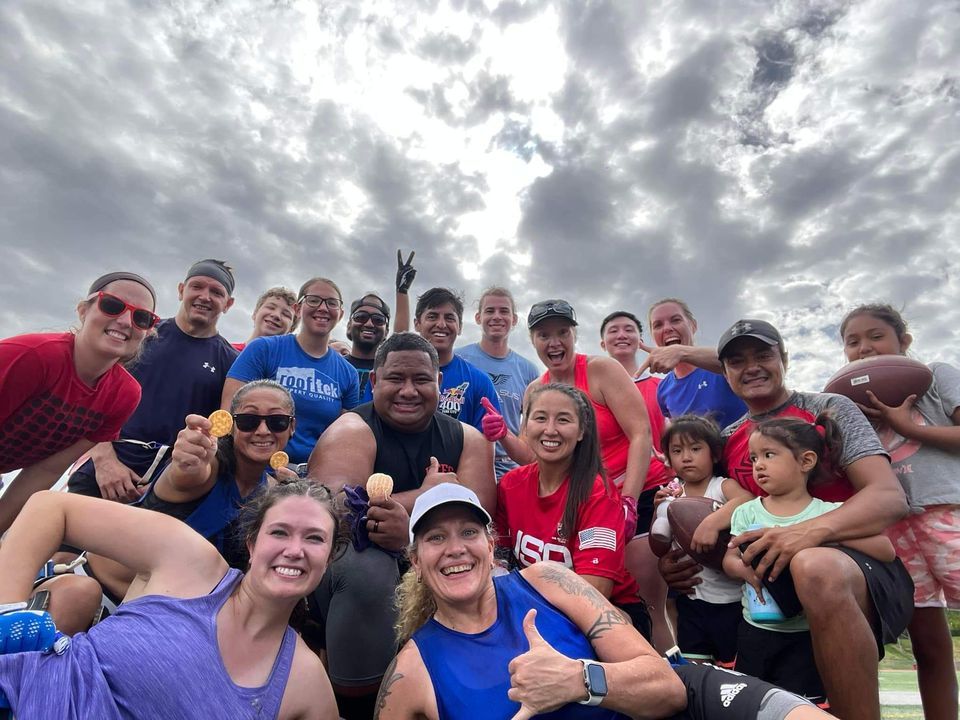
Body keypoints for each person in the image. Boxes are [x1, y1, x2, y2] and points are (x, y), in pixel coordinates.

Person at [377, 482, 834, 720]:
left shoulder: (548, 581)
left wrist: (579, 680)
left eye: (469, 532)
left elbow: (667, 687)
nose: (456, 548)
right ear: (416, 560)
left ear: (490, 543)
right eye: (436, 537)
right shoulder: (411, 671)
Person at [659, 317, 912, 720]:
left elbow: (888, 498)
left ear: (785, 359)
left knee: (814, 566)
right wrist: (685, 559)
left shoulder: (828, 408)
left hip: (852, 567)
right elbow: (717, 511)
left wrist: (802, 534)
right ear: (725, 373)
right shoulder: (729, 439)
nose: (752, 367)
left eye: (763, 354)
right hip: (764, 601)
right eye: (737, 361)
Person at [0, 480, 342, 719]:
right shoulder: (191, 561)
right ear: (252, 544)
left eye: (314, 539)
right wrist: (7, 613)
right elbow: (51, 507)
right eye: (279, 532)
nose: (294, 550)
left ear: (328, 559)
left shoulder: (305, 679)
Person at [305, 332, 495, 719]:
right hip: (352, 576)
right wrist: (425, 496)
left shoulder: (467, 438)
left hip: (436, 557)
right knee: (366, 568)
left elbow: (481, 516)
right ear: (374, 382)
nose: (408, 391)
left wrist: (408, 529)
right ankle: (355, 704)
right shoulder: (352, 429)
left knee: (487, 564)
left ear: (438, 384)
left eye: (421, 380)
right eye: (396, 379)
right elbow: (329, 510)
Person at [75, 380, 300, 606]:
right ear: (231, 425)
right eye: (248, 421)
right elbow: (185, 474)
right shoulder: (207, 466)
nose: (263, 431)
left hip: (168, 616)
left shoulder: (274, 493)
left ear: (292, 427)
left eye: (277, 421)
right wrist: (186, 462)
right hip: (98, 593)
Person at [724, 415, 898, 706]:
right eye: (753, 459)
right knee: (754, 704)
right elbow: (730, 556)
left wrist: (820, 536)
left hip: (808, 634)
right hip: (757, 630)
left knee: (807, 706)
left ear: (806, 461)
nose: (759, 466)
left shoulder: (829, 513)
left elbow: (885, 550)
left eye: (769, 455)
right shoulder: (747, 513)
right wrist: (744, 572)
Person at [839, 304, 960, 720]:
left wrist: (908, 427)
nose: (863, 348)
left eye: (876, 336)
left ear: (903, 342)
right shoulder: (852, 407)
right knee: (928, 643)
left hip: (948, 513)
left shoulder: (935, 377)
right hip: (895, 530)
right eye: (852, 342)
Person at [67, 260, 239, 504]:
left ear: (228, 304)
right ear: (181, 290)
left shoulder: (231, 362)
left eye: (216, 292)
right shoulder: (140, 331)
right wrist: (104, 460)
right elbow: (91, 390)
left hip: (166, 483)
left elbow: (221, 435)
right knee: (65, 538)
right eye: (197, 286)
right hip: (103, 466)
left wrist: (174, 483)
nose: (205, 296)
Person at [0, 271, 157, 533]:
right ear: (83, 310)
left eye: (141, 317)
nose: (125, 320)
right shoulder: (32, 357)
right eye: (112, 305)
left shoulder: (125, 394)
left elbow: (45, 470)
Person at [495, 384, 650, 637]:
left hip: (604, 611)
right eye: (540, 417)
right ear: (525, 426)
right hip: (532, 611)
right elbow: (498, 558)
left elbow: (593, 592)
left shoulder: (599, 495)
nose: (550, 429)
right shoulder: (510, 485)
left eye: (563, 420)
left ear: (581, 431)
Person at [499, 300, 651, 538]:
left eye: (563, 332)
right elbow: (530, 455)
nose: (555, 342)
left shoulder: (602, 370)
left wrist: (629, 500)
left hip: (640, 491)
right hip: (585, 499)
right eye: (544, 335)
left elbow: (641, 433)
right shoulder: (535, 390)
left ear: (574, 335)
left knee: (636, 570)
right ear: (533, 341)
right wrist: (502, 434)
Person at [599, 309, 677, 651]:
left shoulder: (662, 387)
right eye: (613, 330)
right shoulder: (595, 389)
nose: (621, 335)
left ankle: (682, 664)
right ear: (602, 342)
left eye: (629, 329)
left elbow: (676, 433)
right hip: (613, 498)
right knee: (637, 590)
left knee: (673, 587)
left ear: (640, 339)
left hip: (659, 492)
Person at [223, 276, 360, 465]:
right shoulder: (263, 349)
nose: (322, 308)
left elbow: (344, 438)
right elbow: (228, 414)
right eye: (313, 300)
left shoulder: (348, 373)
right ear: (297, 308)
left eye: (331, 303)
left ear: (341, 313)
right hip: (254, 468)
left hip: (313, 477)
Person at [653, 415, 753, 667]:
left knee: (735, 669)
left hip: (731, 601)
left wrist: (714, 521)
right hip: (692, 600)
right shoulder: (673, 493)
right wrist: (658, 512)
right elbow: (659, 546)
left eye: (696, 449)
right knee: (695, 668)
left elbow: (747, 500)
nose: (686, 457)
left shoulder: (722, 486)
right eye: (677, 451)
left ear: (715, 454)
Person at [458, 287, 540, 480]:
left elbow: (531, 430)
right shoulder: (459, 358)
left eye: (504, 311)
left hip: (510, 469)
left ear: (514, 319)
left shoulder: (528, 370)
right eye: (489, 311)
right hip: (464, 465)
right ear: (478, 318)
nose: (497, 316)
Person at [644, 299, 746, 431]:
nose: (667, 328)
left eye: (675, 320)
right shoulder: (664, 390)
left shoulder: (718, 366)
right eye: (658, 325)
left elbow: (736, 360)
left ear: (693, 325)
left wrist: (681, 352)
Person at [413, 287, 502, 433]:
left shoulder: (479, 381)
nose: (441, 324)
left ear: (460, 327)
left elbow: (486, 443)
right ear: (417, 324)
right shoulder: (392, 375)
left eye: (449, 318)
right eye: (432, 316)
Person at [346, 249, 417, 403]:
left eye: (378, 320)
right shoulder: (335, 365)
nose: (369, 323)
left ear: (386, 331)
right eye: (361, 317)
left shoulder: (389, 367)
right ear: (349, 325)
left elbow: (401, 338)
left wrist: (402, 291)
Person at [232, 286, 299, 352]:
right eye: (270, 307)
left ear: (291, 328)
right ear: (255, 313)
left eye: (286, 314)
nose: (276, 315)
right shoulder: (225, 352)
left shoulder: (289, 362)